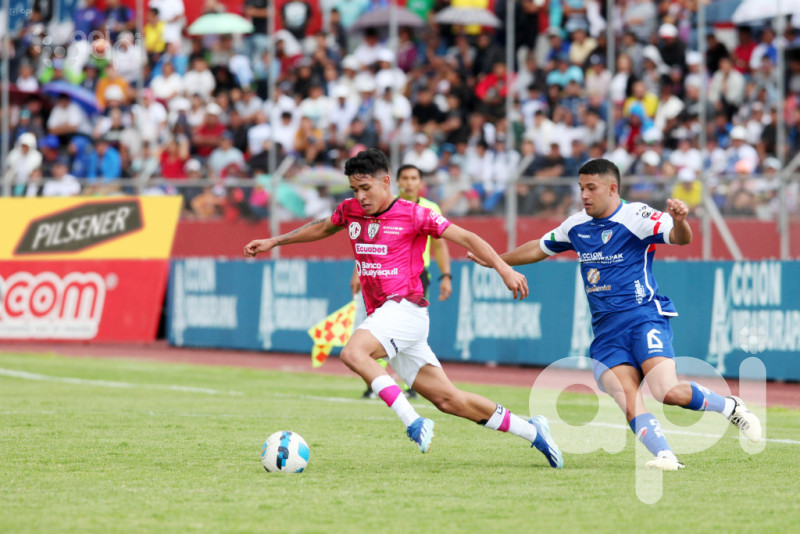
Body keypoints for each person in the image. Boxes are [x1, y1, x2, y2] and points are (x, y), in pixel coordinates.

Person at [244, 149, 562, 467]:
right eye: (355, 189)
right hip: (386, 316)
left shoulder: (414, 214)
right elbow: (323, 227)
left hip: (406, 309)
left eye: (366, 188)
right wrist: (275, 241)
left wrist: (503, 269)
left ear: (385, 182)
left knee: (353, 353)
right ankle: (534, 432)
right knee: (449, 400)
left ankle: (412, 420)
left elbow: (466, 237)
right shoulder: (350, 210)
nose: (360, 196)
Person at [469, 158, 761, 471]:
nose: (584, 195)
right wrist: (498, 262)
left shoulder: (636, 216)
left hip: (643, 317)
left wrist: (679, 221)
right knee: (626, 395)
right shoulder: (576, 225)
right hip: (607, 332)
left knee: (667, 391)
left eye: (591, 188)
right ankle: (666, 456)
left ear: (612, 188)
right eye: (581, 188)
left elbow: (681, 238)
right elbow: (539, 247)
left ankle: (730, 406)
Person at [350, 164, 453, 400]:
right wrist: (357, 272)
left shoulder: (429, 208)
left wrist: (446, 275)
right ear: (395, 182)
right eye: (404, 178)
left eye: (413, 178)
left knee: (405, 329)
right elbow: (369, 243)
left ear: (420, 182)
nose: (409, 182)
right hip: (381, 273)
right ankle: (376, 381)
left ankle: (411, 384)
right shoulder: (383, 206)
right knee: (375, 326)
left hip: (416, 276)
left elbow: (440, 244)